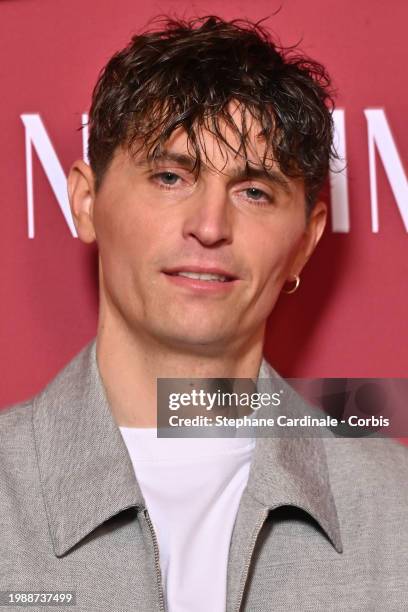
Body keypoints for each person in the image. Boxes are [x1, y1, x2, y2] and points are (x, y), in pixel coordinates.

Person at [0, 15, 407, 612]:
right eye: (170, 177)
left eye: (254, 192)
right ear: (86, 202)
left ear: (306, 240)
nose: (210, 227)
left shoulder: (394, 509)